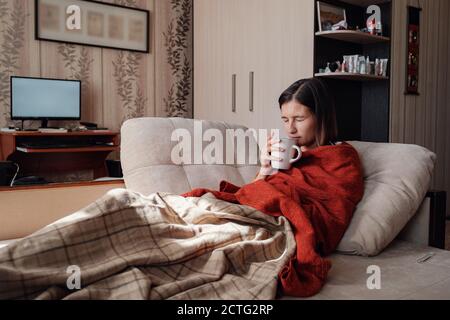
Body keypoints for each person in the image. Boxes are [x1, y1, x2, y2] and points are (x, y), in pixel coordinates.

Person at [255, 77, 339, 181]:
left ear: (321, 118)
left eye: (299, 119)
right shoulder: (282, 157)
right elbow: (247, 194)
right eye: (285, 120)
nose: (290, 129)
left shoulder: (341, 157)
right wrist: (264, 171)